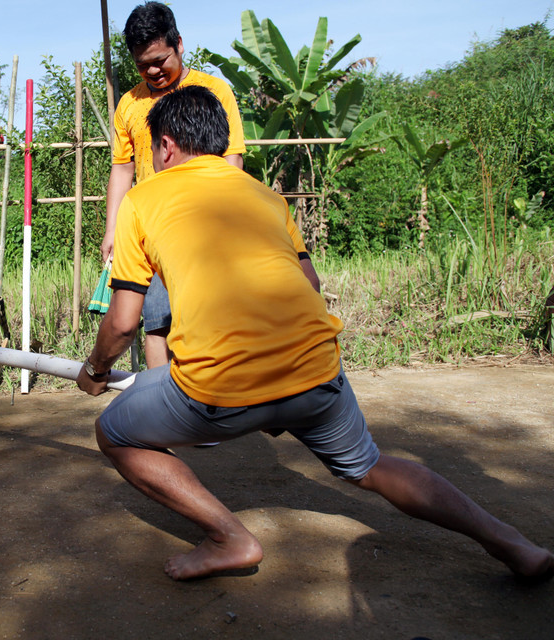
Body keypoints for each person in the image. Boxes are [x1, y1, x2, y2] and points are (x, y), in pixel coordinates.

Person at [77, 86, 554, 584]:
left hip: (221, 391)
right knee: (369, 465)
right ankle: (512, 543)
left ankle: (228, 536)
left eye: (153, 148)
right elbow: (310, 284)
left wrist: (95, 371)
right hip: (316, 374)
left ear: (167, 146)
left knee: (114, 432)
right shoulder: (266, 196)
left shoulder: (142, 199)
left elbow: (124, 322)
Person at [103, 2, 258, 370]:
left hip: (209, 227)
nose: (154, 70)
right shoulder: (128, 105)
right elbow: (122, 170)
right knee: (157, 323)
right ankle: (164, 405)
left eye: (160, 59)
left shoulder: (214, 91)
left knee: (214, 318)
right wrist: (112, 229)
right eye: (143, 65)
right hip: (155, 230)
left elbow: (232, 160)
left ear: (180, 45)